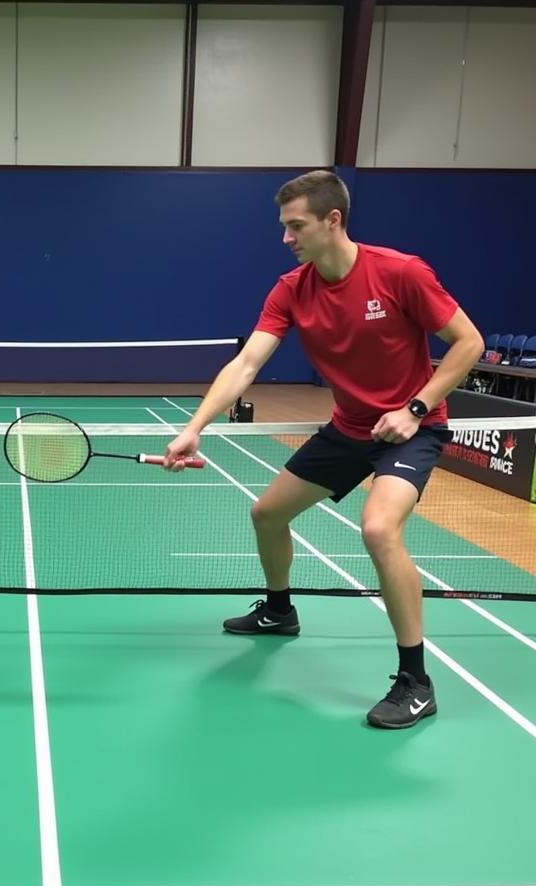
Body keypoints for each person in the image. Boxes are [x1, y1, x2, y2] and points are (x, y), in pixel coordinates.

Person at [163, 170, 484, 729]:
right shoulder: (292, 288)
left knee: (380, 528)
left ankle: (416, 681)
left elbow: (469, 343)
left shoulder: (400, 272)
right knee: (266, 514)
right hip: (350, 428)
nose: (286, 238)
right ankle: (280, 610)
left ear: (333, 220)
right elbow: (246, 364)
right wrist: (196, 426)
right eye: (284, 227)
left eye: (296, 226)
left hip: (412, 427)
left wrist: (413, 409)